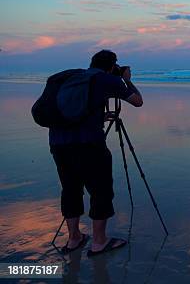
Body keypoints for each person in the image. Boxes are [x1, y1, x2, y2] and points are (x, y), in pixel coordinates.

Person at [49, 50, 143, 256]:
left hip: (58, 142)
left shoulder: (74, 78)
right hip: (89, 144)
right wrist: (127, 81)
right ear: (112, 65)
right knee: (100, 189)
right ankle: (99, 242)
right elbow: (137, 101)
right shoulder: (108, 80)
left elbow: (77, 107)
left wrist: (100, 115)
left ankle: (74, 239)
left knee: (71, 189)